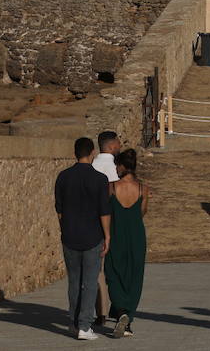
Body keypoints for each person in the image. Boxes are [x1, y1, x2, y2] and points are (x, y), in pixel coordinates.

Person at [53, 137, 111, 341]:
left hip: (69, 236)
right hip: (92, 237)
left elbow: (59, 210)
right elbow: (104, 212)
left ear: (75, 153)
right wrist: (107, 235)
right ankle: (85, 326)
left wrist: (64, 229)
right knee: (90, 282)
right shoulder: (100, 180)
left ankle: (74, 322)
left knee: (74, 282)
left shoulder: (63, 177)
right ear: (92, 152)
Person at [105, 149, 148, 339]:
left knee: (113, 274)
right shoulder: (143, 189)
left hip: (116, 235)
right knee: (134, 277)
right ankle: (127, 320)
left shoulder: (111, 187)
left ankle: (121, 312)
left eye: (117, 165)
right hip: (137, 237)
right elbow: (141, 213)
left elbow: (105, 212)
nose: (115, 168)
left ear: (122, 166)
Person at [91, 131, 120, 327]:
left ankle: (98, 309)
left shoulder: (93, 164)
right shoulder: (110, 165)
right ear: (111, 146)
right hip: (107, 220)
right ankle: (108, 309)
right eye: (118, 142)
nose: (120, 144)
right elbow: (111, 193)